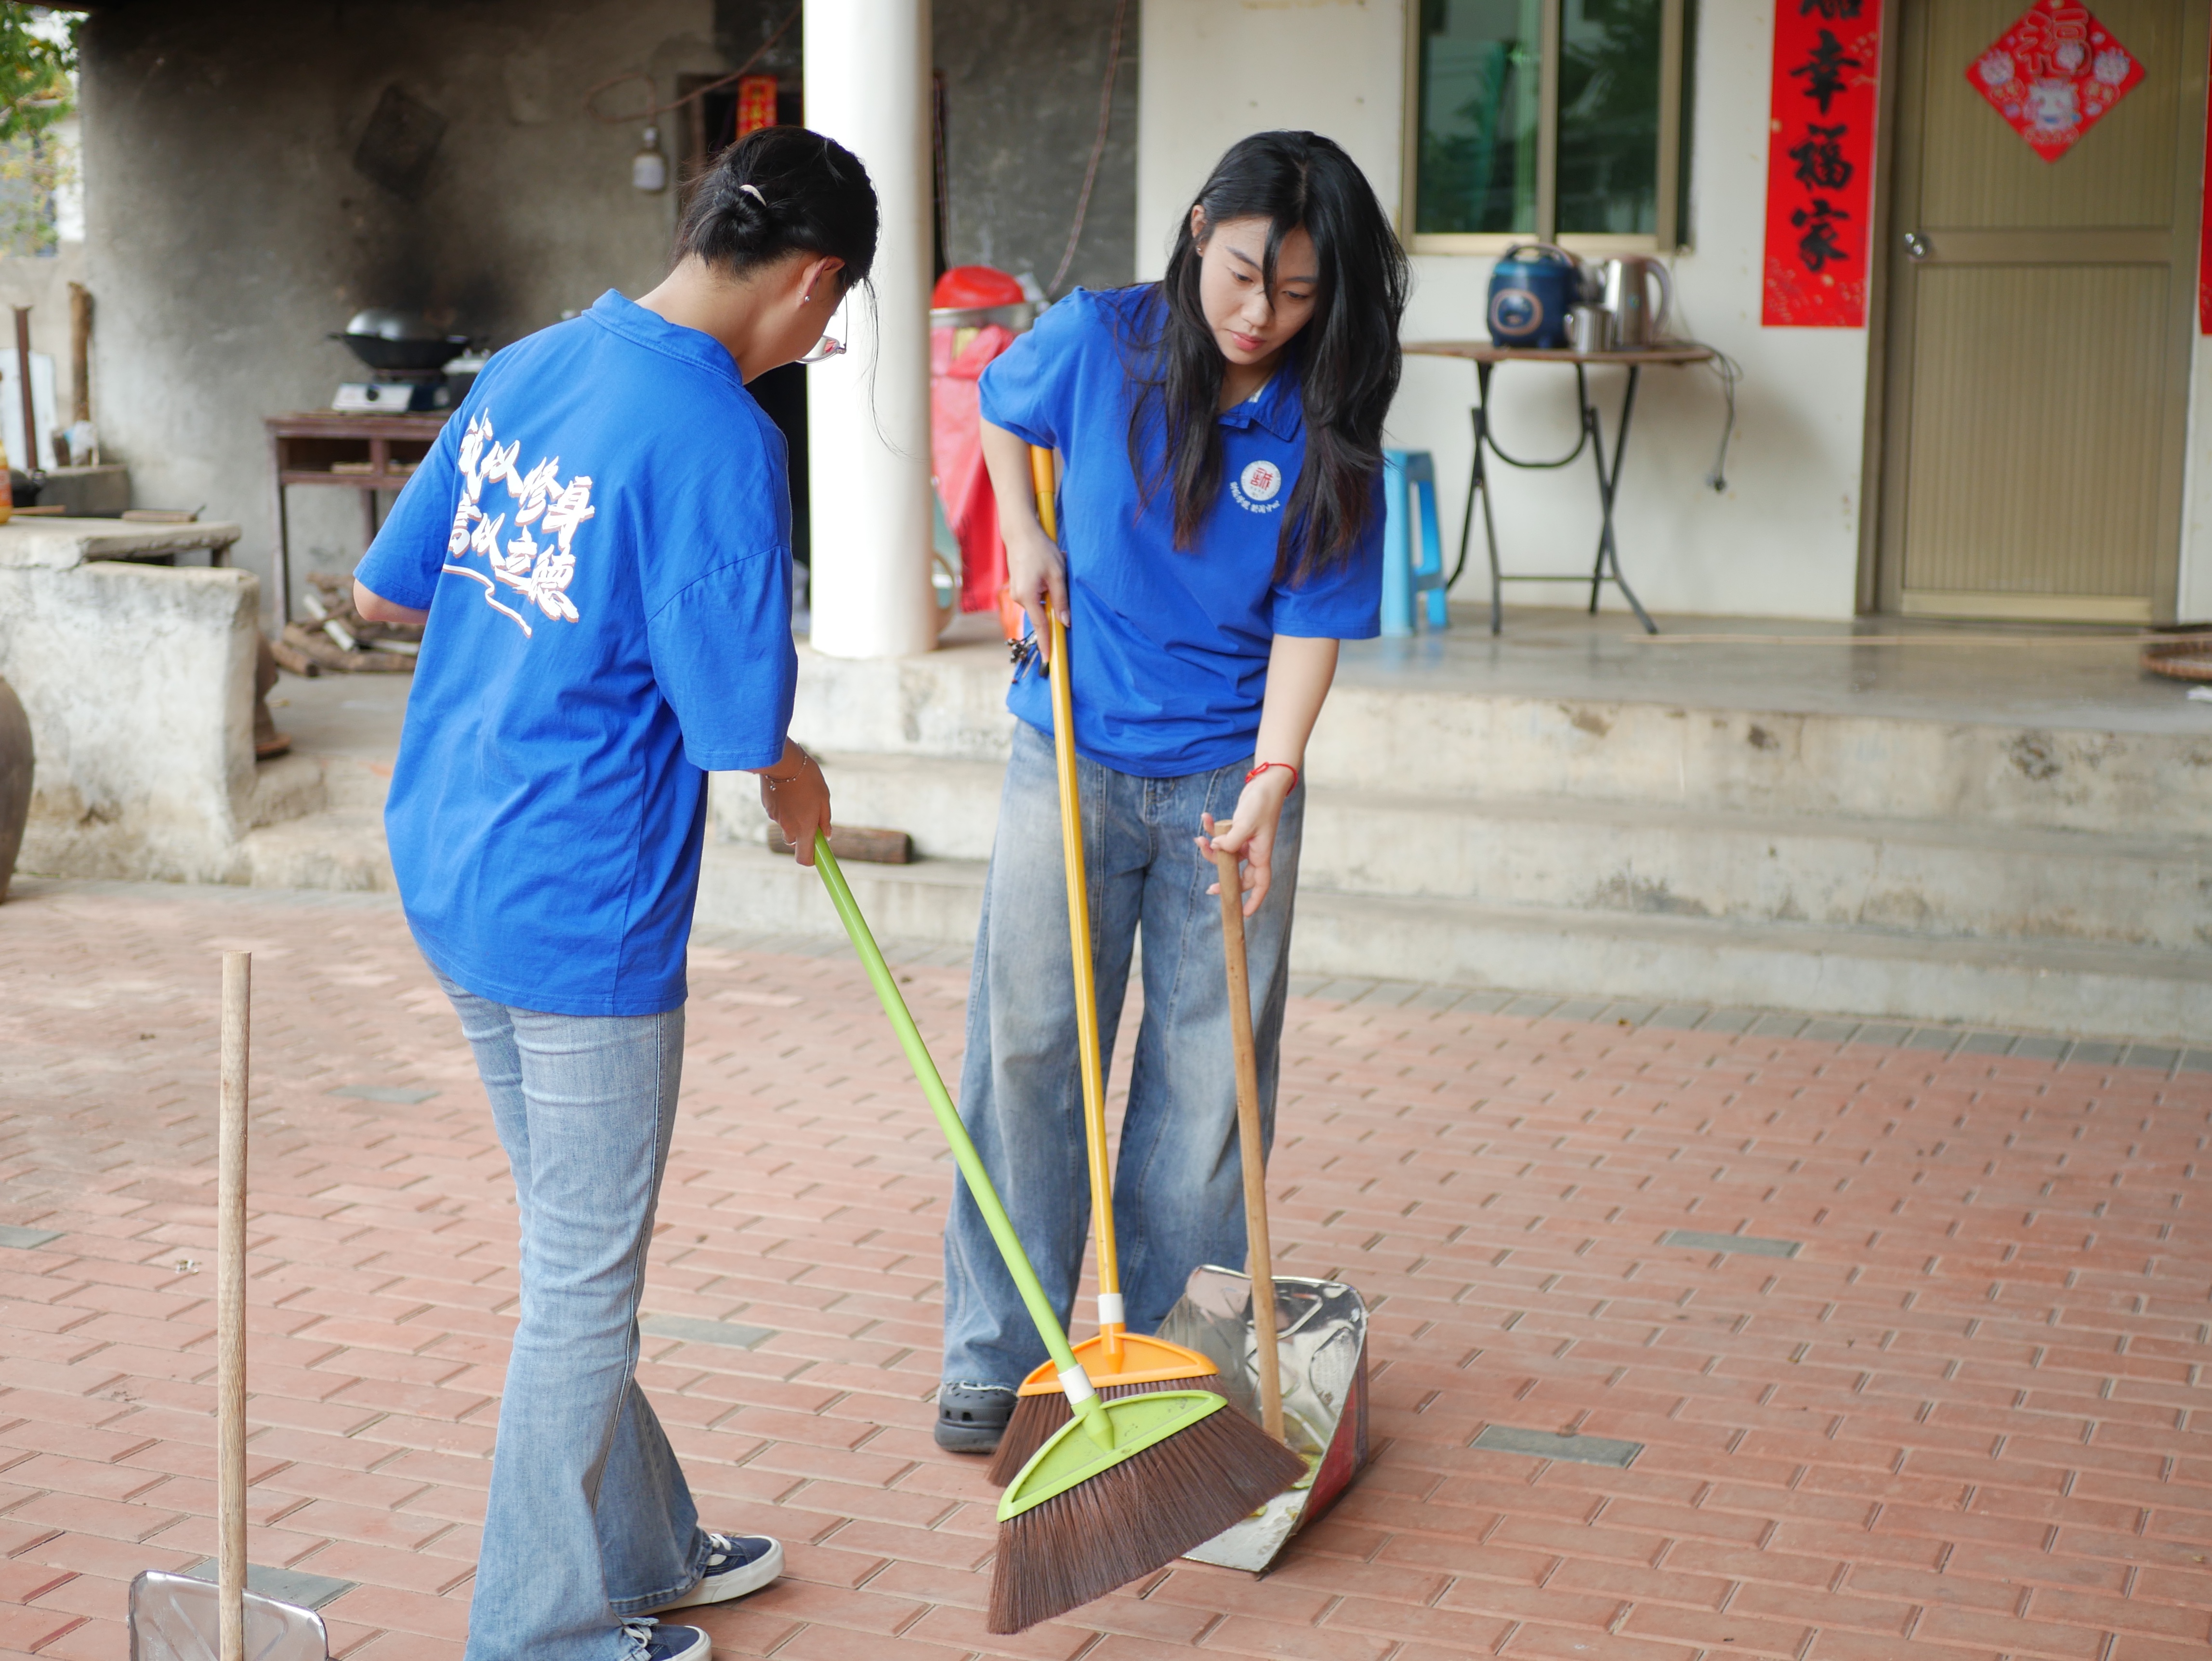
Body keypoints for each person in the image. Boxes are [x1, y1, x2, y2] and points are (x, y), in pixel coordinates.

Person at [351, 128, 869, 1661]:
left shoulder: (531, 364)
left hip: (453, 860)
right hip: (579, 906)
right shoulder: (719, 436)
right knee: (581, 1289)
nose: (818, 343)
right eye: (834, 320)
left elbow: (387, 584)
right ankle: (536, 1634)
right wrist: (796, 779)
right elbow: (733, 724)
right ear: (814, 280)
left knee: (573, 1253)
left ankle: (642, 1548)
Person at [935, 131, 1409, 1451]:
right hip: (1070, 748)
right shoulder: (1100, 339)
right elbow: (1001, 405)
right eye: (1247, 275)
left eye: (1300, 294)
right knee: (1029, 1047)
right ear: (1200, 229)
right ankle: (1002, 1349)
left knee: (1209, 1083)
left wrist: (1273, 780)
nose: (1262, 315)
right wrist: (1024, 537)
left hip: (1227, 774)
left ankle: (1169, 1356)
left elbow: (1311, 621)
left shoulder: (1325, 414)